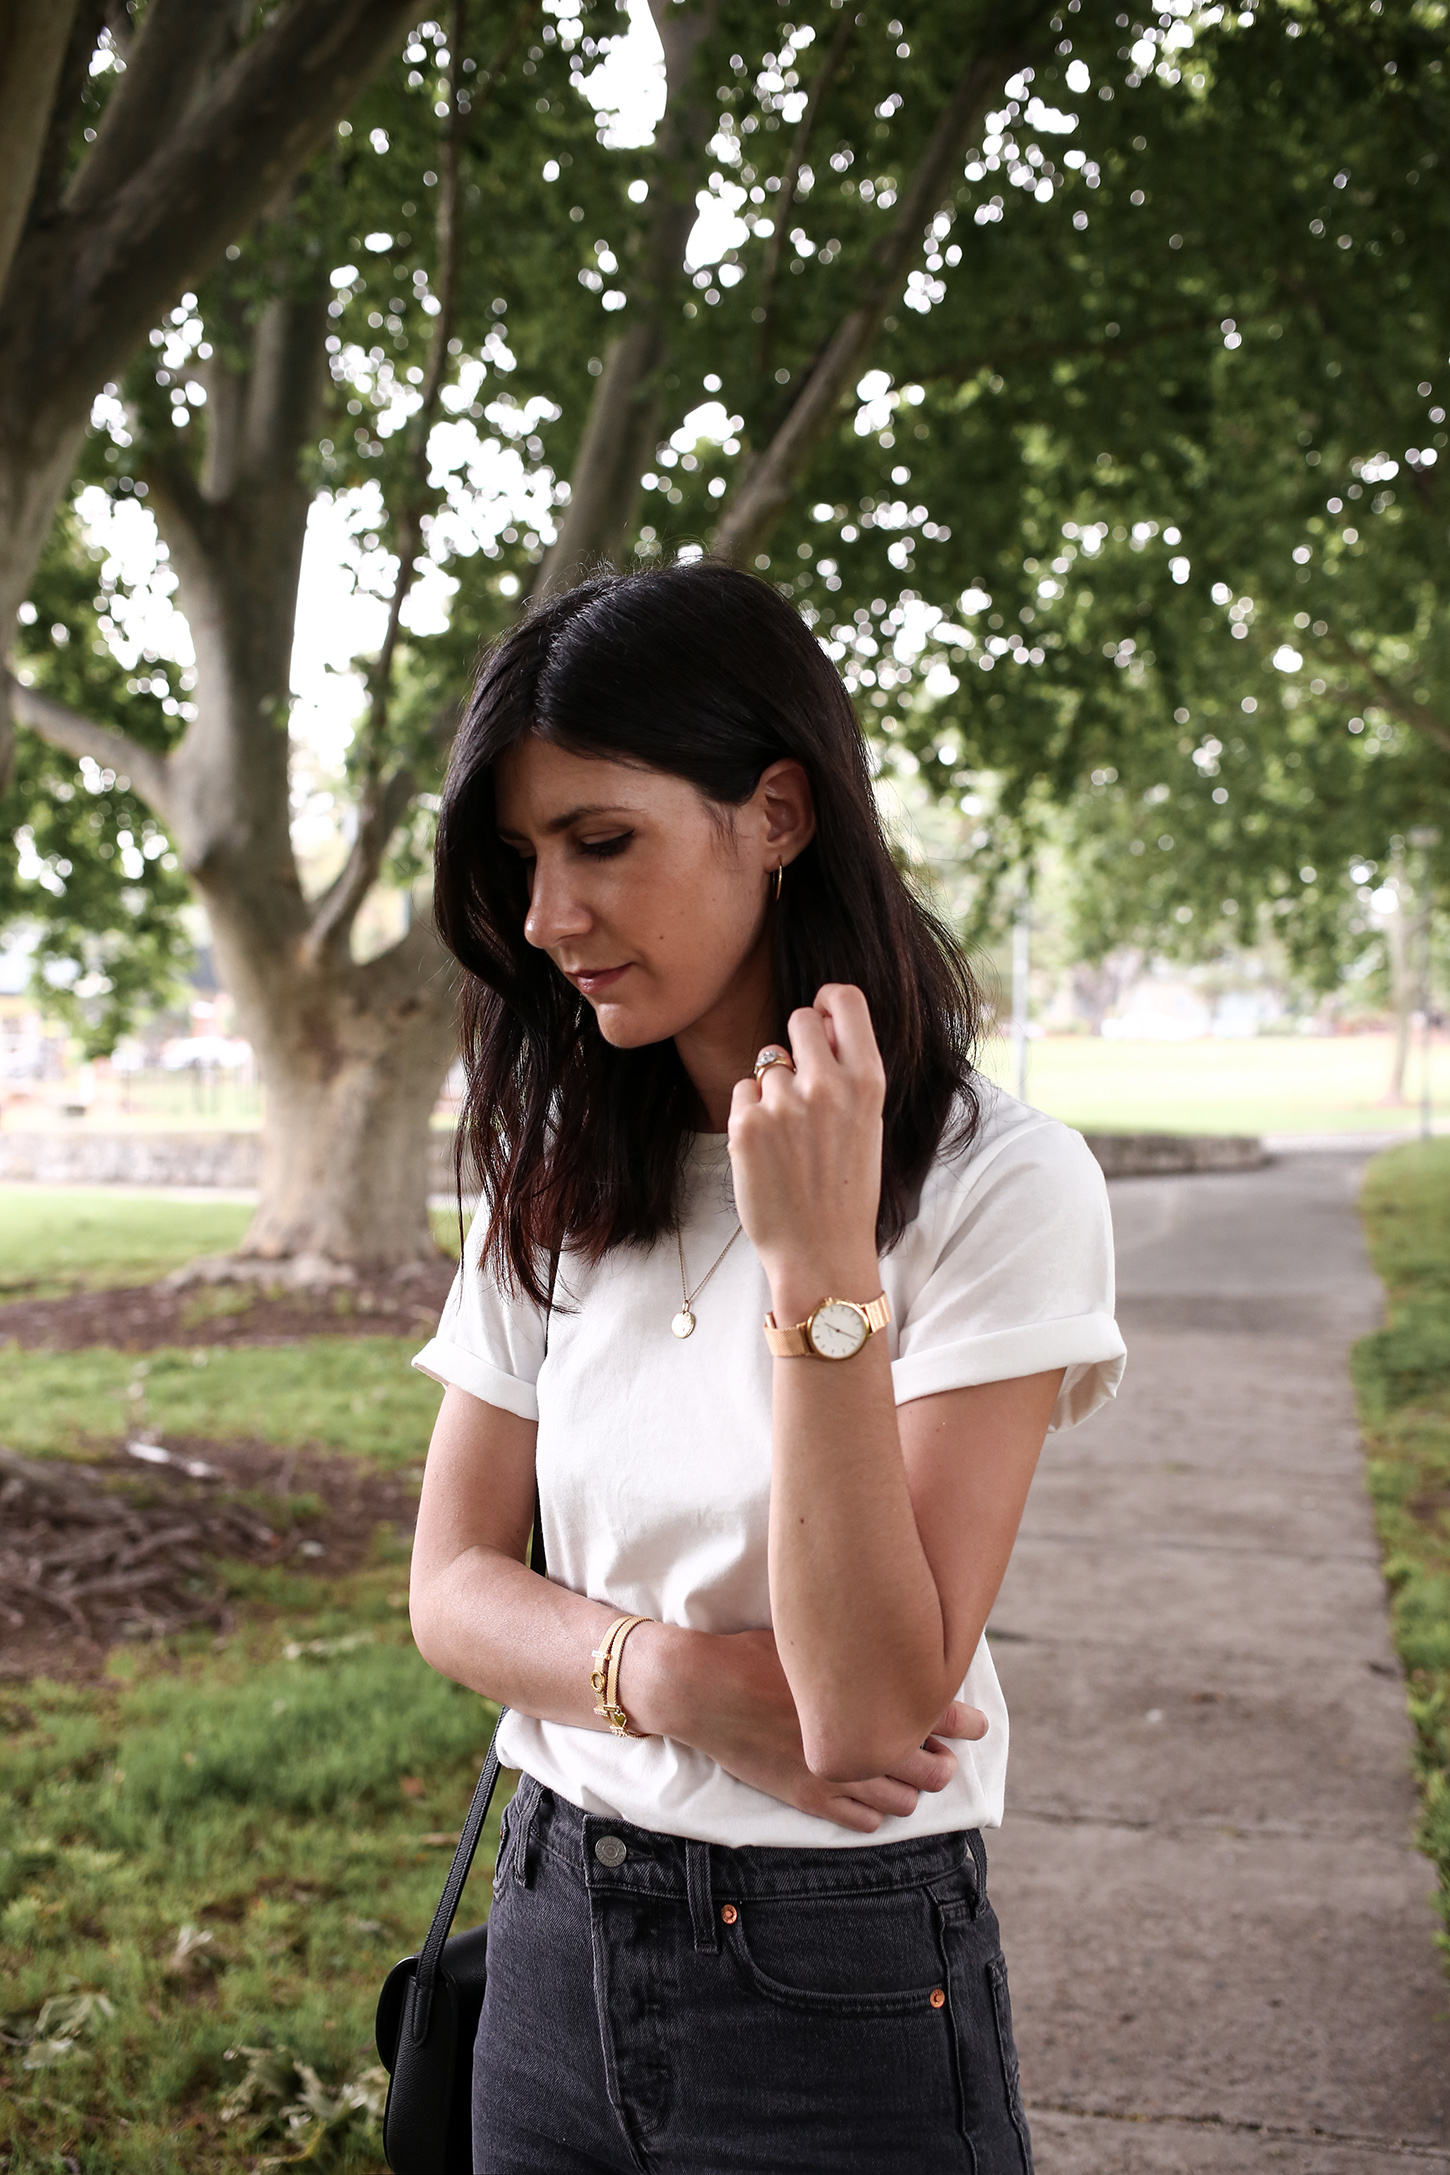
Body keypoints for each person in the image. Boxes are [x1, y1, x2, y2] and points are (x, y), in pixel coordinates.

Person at [409, 560, 1125, 2175]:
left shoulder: (997, 1184)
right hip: (546, 1937)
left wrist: (816, 1276)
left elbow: (870, 1710)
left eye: (602, 842)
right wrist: (668, 1682)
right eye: (523, 860)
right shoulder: (555, 1164)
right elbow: (448, 1584)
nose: (546, 917)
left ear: (779, 813)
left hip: (829, 1969)